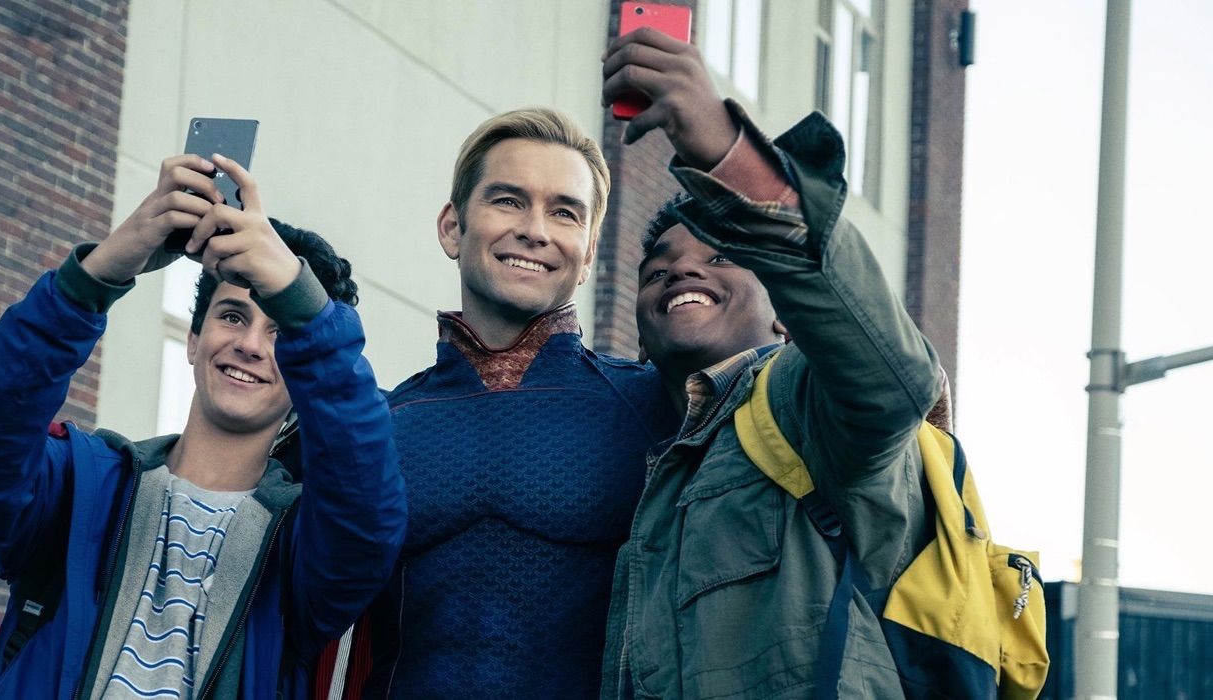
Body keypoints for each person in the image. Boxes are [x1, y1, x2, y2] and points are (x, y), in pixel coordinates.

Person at [0, 154, 406, 699]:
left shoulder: (303, 548)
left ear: (304, 369)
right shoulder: (79, 488)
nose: (250, 345)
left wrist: (304, 304)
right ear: (193, 339)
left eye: (280, 334)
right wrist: (101, 272)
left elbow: (367, 513)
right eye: (232, 316)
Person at [599, 27, 944, 699]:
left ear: (787, 313)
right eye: (656, 268)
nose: (682, 270)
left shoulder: (804, 403)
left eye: (721, 256)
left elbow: (895, 387)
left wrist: (728, 157)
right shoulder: (651, 457)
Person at [355, 106, 678, 696]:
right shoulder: (383, 422)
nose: (536, 229)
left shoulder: (657, 409)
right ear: (453, 227)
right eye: (508, 200)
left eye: (564, 212)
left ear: (587, 254)